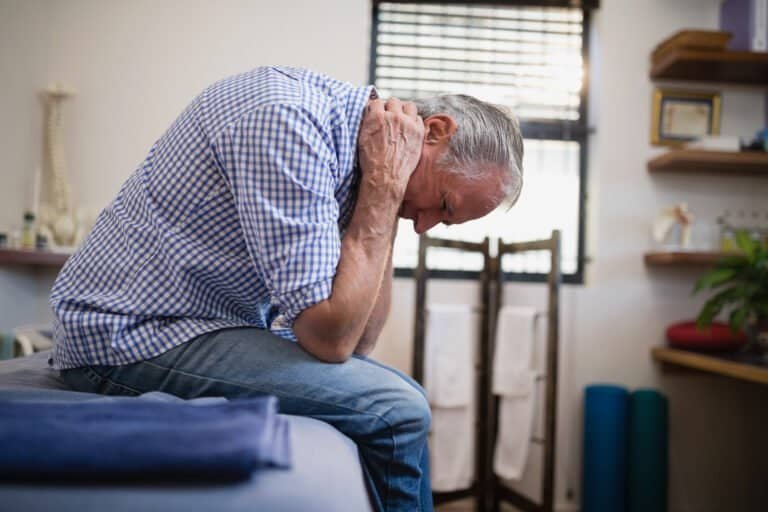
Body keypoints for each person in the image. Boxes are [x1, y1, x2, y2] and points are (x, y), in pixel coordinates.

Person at [49, 66, 524, 512]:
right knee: (397, 409)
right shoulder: (287, 122)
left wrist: (388, 195)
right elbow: (331, 338)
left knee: (405, 394)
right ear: (435, 132)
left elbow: (360, 340)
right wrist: (385, 190)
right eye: (442, 204)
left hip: (205, 323)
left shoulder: (359, 165)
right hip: (126, 333)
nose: (425, 225)